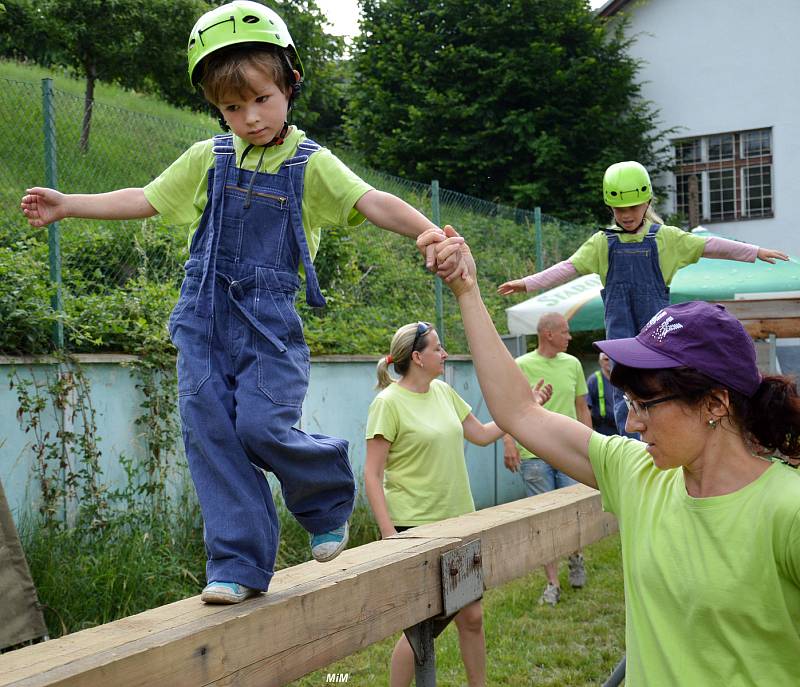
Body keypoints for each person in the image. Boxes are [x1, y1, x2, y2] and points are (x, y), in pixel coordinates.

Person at [20, 1, 464, 605]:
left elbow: (371, 200)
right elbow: (146, 198)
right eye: (233, 107)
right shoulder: (209, 158)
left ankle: (325, 494)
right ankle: (237, 564)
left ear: (290, 84)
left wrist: (426, 230)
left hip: (269, 323)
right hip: (202, 316)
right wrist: (69, 202)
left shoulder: (312, 164)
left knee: (259, 424)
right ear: (216, 106)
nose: (250, 118)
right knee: (210, 435)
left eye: (262, 100)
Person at [422, 227, 800, 687]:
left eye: (646, 405)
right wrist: (466, 291)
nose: (631, 423)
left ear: (715, 404)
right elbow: (519, 412)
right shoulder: (640, 474)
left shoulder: (788, 510)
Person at [498, 160, 789, 435]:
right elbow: (567, 268)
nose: (626, 215)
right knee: (621, 381)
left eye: (633, 207)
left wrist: (754, 252)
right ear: (610, 207)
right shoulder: (601, 243)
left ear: (647, 202)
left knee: (660, 382)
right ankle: (629, 441)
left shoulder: (667, 239)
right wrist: (527, 283)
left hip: (658, 335)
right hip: (621, 336)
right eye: (618, 209)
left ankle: (667, 433)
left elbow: (710, 246)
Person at [365, 321, 547, 687]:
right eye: (437, 348)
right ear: (417, 357)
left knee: (472, 616)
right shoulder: (388, 403)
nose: (444, 353)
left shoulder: (445, 392)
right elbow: (371, 474)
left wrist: (525, 411)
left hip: (460, 521)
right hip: (414, 529)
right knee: (423, 629)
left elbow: (480, 435)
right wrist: (389, 535)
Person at [502, 312, 592, 606]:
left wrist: (593, 447)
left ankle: (576, 556)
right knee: (544, 519)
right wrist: (509, 442)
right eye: (565, 332)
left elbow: (582, 407)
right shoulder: (521, 366)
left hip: (569, 452)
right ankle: (552, 583)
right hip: (534, 453)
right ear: (548, 334)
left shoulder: (574, 364)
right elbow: (509, 409)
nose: (569, 337)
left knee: (573, 511)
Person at [586, 352, 618, 436]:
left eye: (612, 359)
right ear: (600, 362)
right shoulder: (593, 380)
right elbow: (586, 407)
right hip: (603, 428)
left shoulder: (622, 379)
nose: (609, 362)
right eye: (606, 360)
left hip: (622, 426)